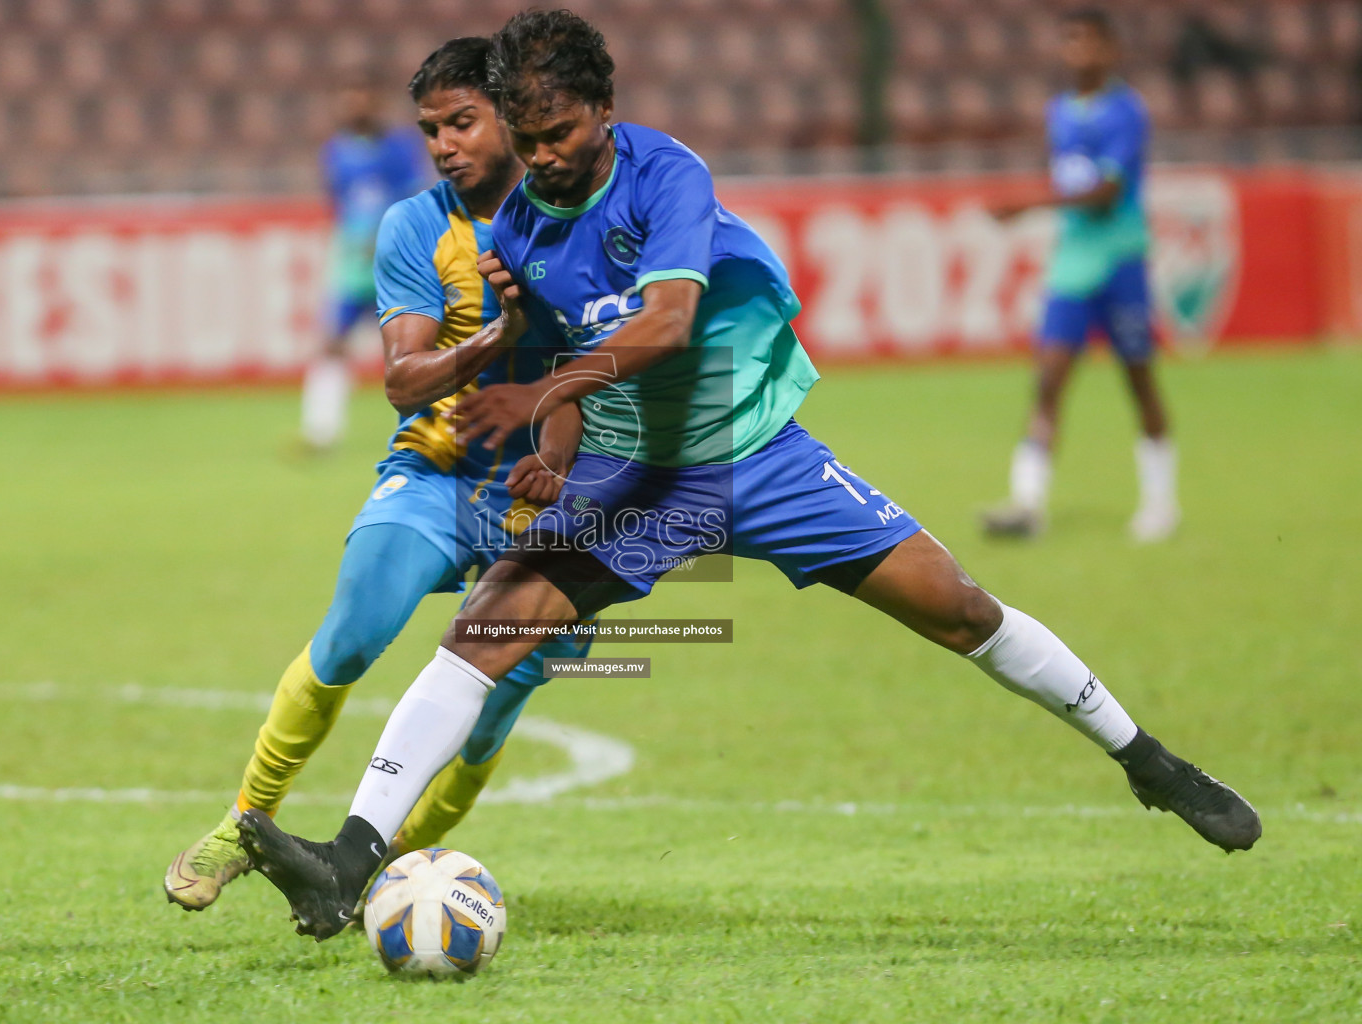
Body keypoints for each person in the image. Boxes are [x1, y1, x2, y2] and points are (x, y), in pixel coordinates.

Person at [236, 10, 1259, 941]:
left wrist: (549, 395)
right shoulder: (518, 234)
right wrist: (550, 453)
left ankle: (1150, 763)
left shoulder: (665, 174)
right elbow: (565, 376)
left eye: (559, 135)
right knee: (484, 634)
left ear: (604, 110)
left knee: (957, 607)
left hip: (759, 456)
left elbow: (668, 322)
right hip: (636, 480)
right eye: (528, 137)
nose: (542, 158)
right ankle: (349, 856)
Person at [164, 37, 588, 912]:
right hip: (434, 475)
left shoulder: (581, 220)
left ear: (511, 116)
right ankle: (243, 824)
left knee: (492, 706)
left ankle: (370, 874)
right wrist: (495, 340)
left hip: (543, 504)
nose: (444, 145)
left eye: (462, 123)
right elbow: (401, 378)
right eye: (431, 129)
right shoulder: (416, 226)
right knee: (352, 637)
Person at [984, 8, 1177, 542]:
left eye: (1089, 42)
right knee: (1048, 380)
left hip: (1119, 259)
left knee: (1138, 378)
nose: (1079, 52)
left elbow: (1105, 194)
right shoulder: (1060, 112)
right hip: (1072, 262)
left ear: (1111, 49)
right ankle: (1027, 504)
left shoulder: (1126, 112)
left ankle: (1161, 503)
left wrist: (1029, 204)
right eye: (1070, 41)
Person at [300, 81, 429, 451]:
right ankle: (321, 431)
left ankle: (416, 431)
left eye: (361, 102)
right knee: (332, 343)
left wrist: (388, 238)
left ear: (376, 105)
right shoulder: (336, 151)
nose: (354, 110)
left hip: (395, 264)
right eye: (347, 102)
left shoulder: (400, 147)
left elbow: (414, 197)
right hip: (352, 267)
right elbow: (340, 205)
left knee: (405, 348)